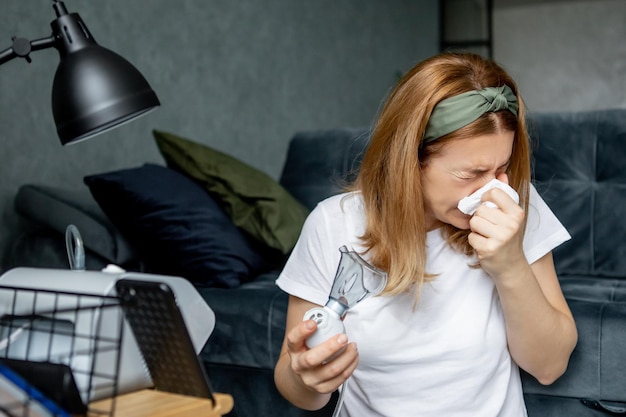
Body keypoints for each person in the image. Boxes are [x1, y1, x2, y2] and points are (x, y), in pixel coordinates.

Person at [273, 52, 578, 417]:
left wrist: (510, 264)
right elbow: (298, 386)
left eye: (502, 167)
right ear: (409, 162)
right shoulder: (332, 223)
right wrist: (305, 377)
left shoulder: (512, 206)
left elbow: (549, 366)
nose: (491, 191)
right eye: (470, 174)